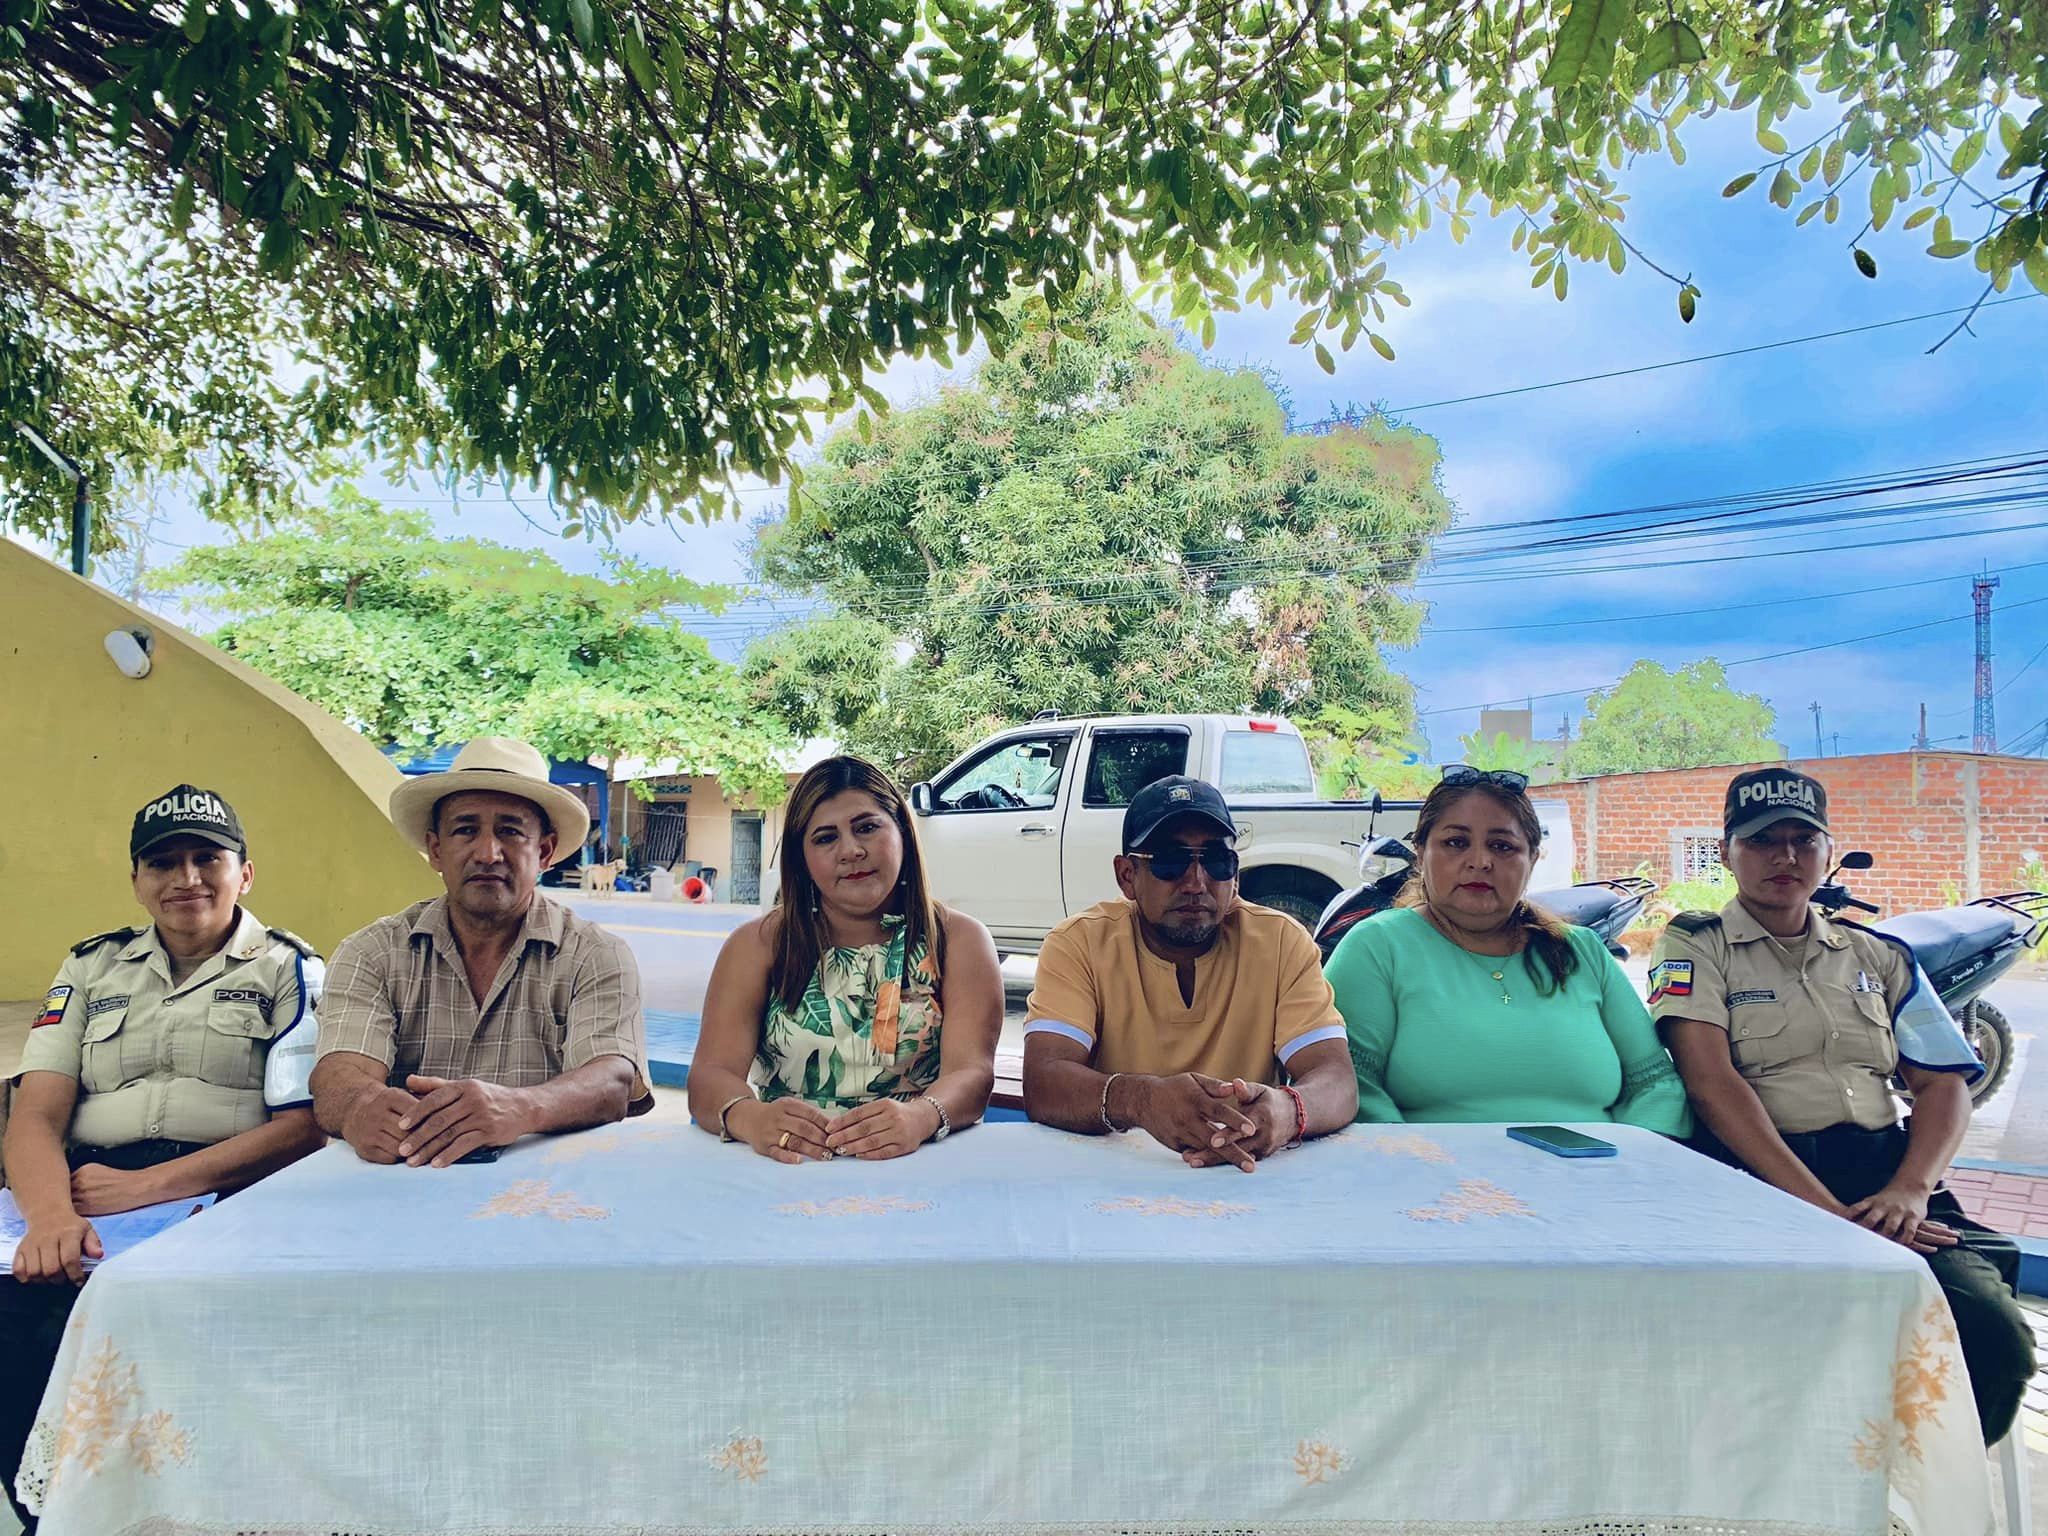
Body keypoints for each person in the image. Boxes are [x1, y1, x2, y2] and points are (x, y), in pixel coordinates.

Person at [1653, 766, 2033, 1444]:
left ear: (1828, 852)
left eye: (1804, 840)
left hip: (1883, 1180)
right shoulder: (1695, 946)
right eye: (1762, 840)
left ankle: (1923, 1483)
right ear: (1728, 852)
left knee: (1992, 1334)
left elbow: (1943, 1083)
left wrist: (1911, 1190)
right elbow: (1713, 1085)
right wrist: (1828, 1215)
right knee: (1771, 1342)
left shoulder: (1878, 956)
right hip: (1761, 1177)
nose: (1785, 857)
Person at [2, 786, 325, 1534]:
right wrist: (50, 1220)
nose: (187, 879)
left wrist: (144, 1188)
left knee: (189, 1337)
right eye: (163, 862)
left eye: (207, 858)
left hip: (225, 1193)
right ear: (137, 880)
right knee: (13, 1321)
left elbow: (304, 1127)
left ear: (245, 874)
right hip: (86, 1193)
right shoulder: (90, 967)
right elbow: (35, 1113)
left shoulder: (291, 969)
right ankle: (50, 1517)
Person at [311, 737, 651, 1168]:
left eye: (510, 831)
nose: (488, 853)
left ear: (544, 851)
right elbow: (338, 1076)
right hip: (403, 1183)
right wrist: (361, 1107)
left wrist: (521, 1108)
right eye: (465, 830)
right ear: (436, 850)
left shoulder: (596, 955)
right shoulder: (371, 953)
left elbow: (613, 1080)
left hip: (546, 1191)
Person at [1328, 766, 1690, 1135]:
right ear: (1421, 854)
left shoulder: (1581, 951)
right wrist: (1419, 1163)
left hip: (1603, 1167)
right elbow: (1350, 1085)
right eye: (1456, 842)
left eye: (1502, 846)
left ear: (1532, 859)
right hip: (1430, 1169)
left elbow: (1656, 1084)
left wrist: (1635, 1157)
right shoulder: (1378, 947)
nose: (1480, 861)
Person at [1021, 776, 1357, 1170]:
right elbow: (1044, 1081)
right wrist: (1141, 1101)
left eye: (1216, 861)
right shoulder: (1080, 944)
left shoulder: (1281, 942)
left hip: (1247, 1172)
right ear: (1127, 876)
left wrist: (1287, 1111)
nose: (1196, 882)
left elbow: (1336, 1078)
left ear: (1234, 876)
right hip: (1115, 1172)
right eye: (1170, 861)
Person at [690, 756, 1000, 1161]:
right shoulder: (758, 945)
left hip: (917, 1161)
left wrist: (920, 1118)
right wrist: (753, 1119)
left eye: (867, 827)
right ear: (801, 859)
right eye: (825, 838)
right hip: (790, 1166)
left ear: (903, 832)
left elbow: (973, 1073)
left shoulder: (959, 940)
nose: (851, 851)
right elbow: (710, 1076)